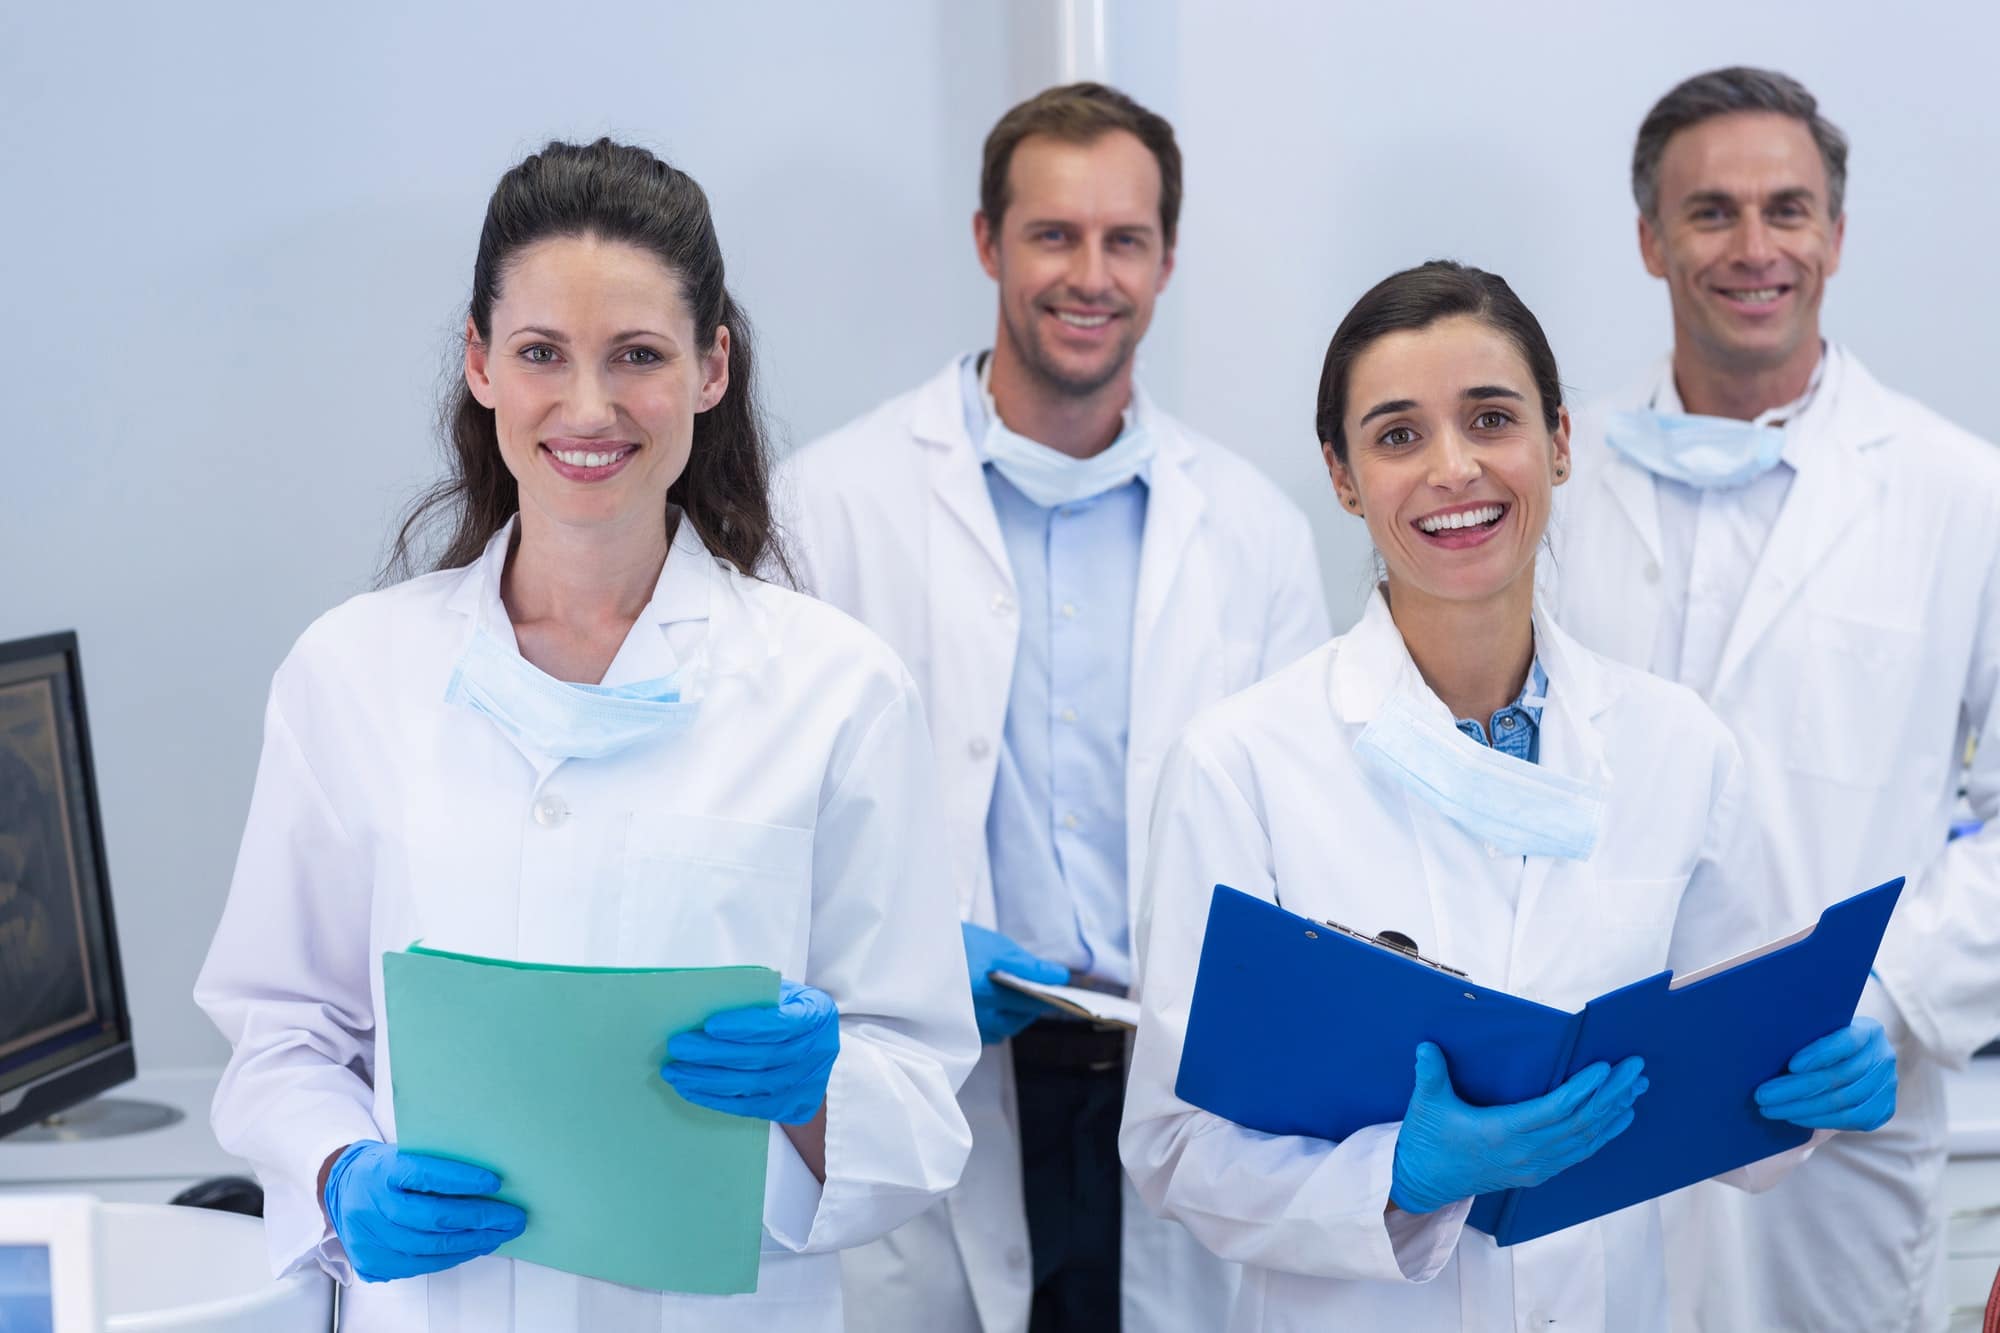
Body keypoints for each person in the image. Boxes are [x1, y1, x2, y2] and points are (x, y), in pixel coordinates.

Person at [193, 138, 980, 1333]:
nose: (590, 407)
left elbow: (921, 1097)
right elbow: (279, 1031)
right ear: (480, 364)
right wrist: (338, 1170)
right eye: (541, 354)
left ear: (713, 369)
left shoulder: (836, 691)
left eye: (639, 357)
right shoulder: (351, 674)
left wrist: (822, 1094)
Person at [1119, 260, 1899, 1332]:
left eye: (1490, 417)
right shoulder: (1242, 762)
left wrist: (1807, 1082)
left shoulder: (1677, 747)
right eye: (1396, 435)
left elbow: (1736, 1096)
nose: (1453, 467)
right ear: (1342, 478)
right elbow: (1172, 1144)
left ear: (1559, 444)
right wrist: (1401, 1172)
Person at [779, 83, 1328, 1333]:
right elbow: (761, 807)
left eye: (1122, 239)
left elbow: (1307, 841)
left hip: (1174, 1077)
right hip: (937, 1077)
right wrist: (911, 952)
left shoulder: (1253, 533)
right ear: (986, 242)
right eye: (1051, 235)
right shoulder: (831, 507)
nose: (1089, 275)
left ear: (1165, 259)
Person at [1549, 67, 2000, 1332]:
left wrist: (1888, 996)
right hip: (1586, 1097)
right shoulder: (1550, 482)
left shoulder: (1955, 492)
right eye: (1709, 213)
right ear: (1648, 239)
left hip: (1831, 1122)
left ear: (1835, 237)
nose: (1753, 249)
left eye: (1786, 211)